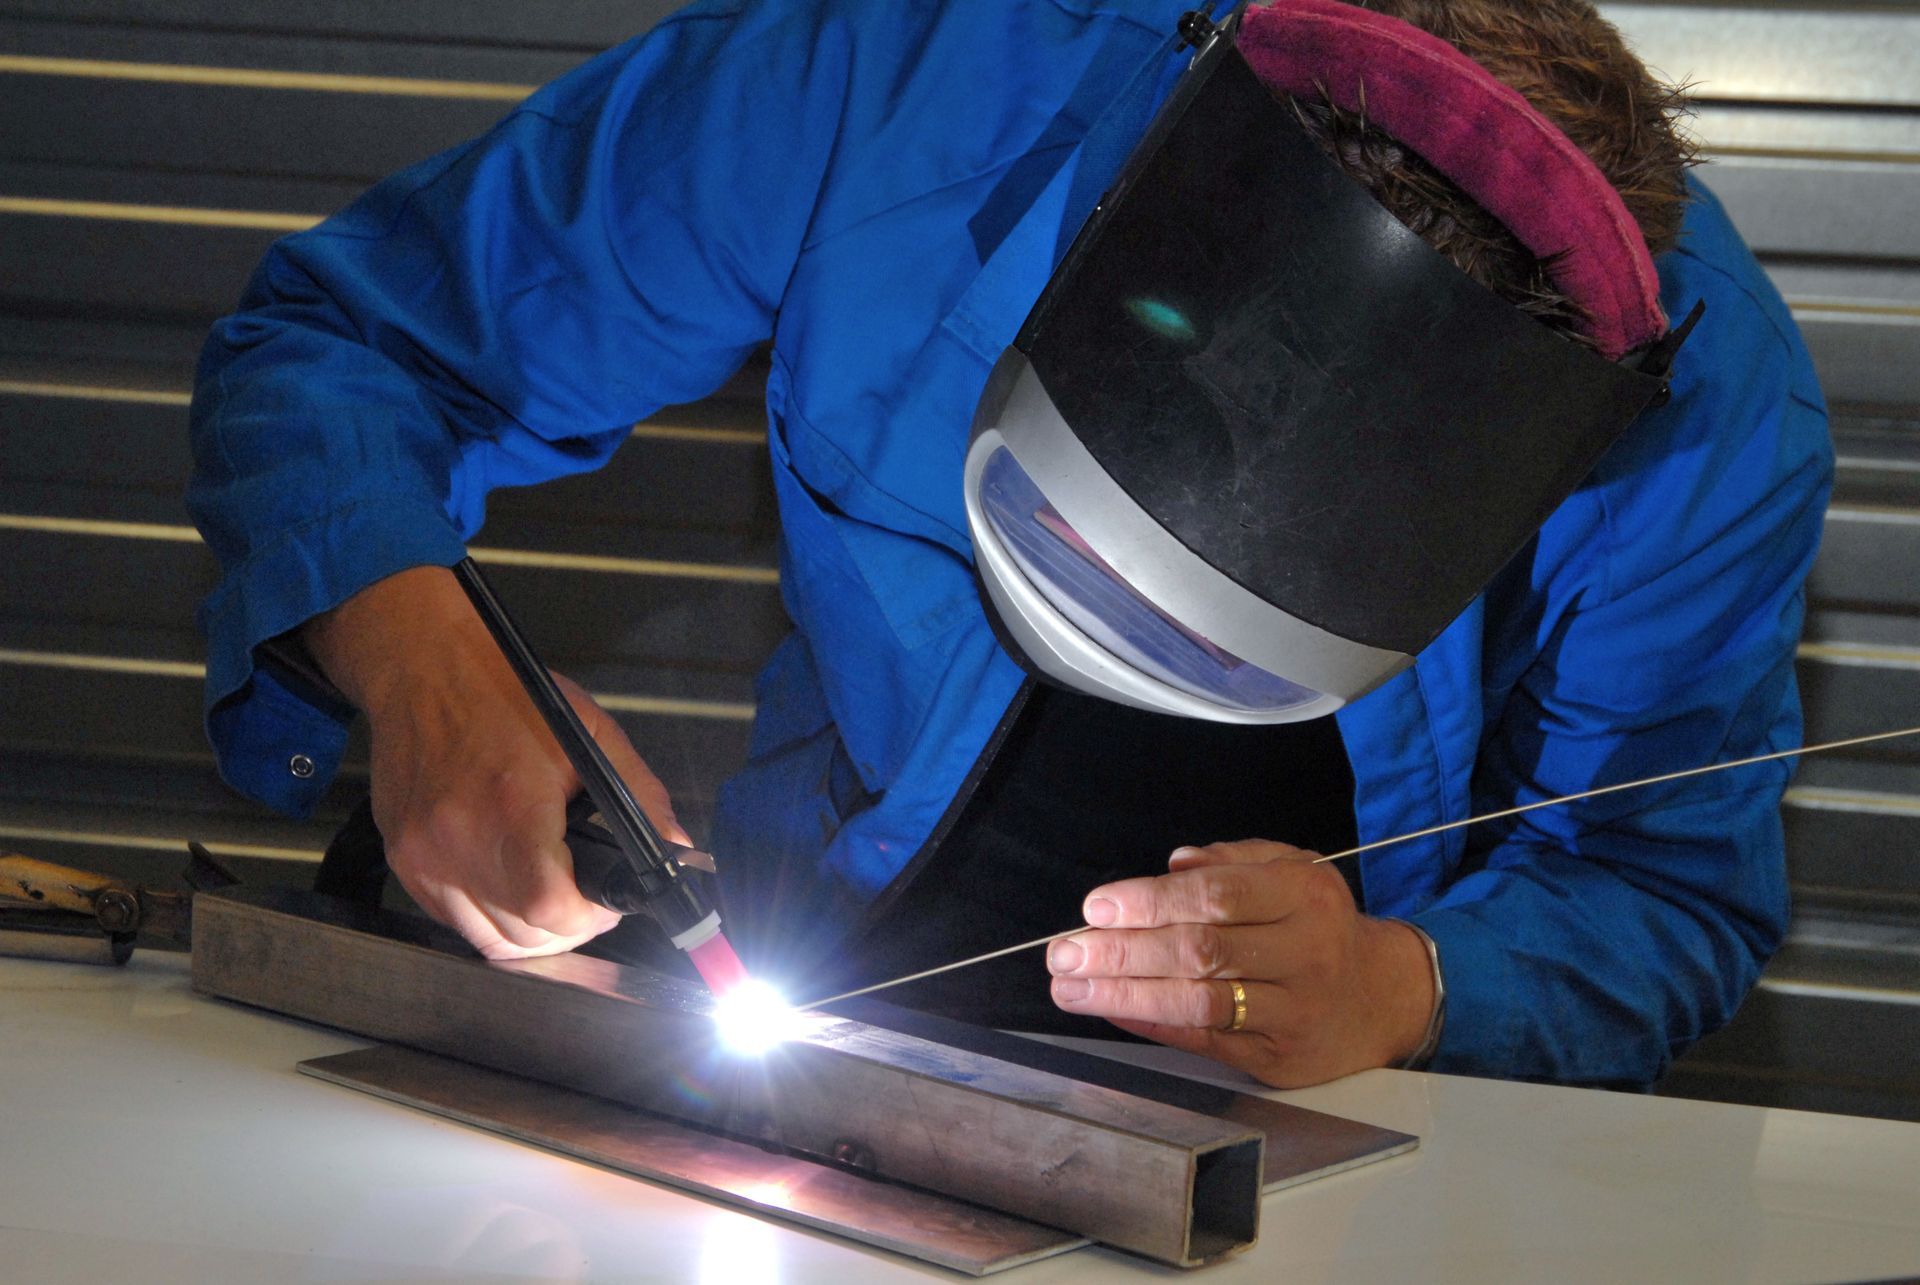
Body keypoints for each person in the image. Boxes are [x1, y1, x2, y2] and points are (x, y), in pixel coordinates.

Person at [187, 0, 1831, 1090]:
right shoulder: (909, 75)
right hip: (833, 972)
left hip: (1315, 1109)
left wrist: (1404, 986)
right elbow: (350, 344)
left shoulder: (1703, 407)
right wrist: (426, 672)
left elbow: (1660, 889)